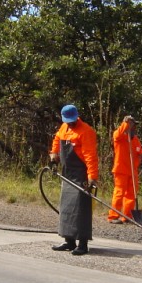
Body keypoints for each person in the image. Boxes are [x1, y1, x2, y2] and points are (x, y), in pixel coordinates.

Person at [49, 104, 99, 255]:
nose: (70, 123)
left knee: (81, 210)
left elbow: (91, 156)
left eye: (72, 120)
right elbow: (57, 140)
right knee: (67, 208)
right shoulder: (64, 128)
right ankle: (69, 241)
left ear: (77, 116)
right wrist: (54, 154)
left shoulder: (86, 131)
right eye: (68, 121)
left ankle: (82, 244)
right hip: (67, 173)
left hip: (81, 174)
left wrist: (92, 177)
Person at [108, 115, 142, 224]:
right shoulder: (119, 136)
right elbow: (118, 133)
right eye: (131, 125)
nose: (133, 127)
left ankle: (127, 216)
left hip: (132, 171)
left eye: (134, 125)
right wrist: (125, 123)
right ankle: (113, 216)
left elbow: (140, 152)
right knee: (119, 193)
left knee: (131, 195)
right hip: (121, 169)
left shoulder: (135, 139)